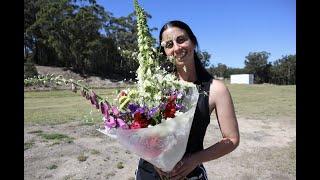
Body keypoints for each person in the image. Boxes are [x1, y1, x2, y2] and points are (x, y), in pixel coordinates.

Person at [135, 20, 240, 180]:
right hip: (150, 172)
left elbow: (232, 139)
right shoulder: (155, 85)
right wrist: (155, 160)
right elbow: (139, 128)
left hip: (188, 174)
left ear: (193, 41)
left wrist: (194, 160)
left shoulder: (216, 89)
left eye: (181, 39)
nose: (177, 48)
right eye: (169, 44)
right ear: (164, 51)